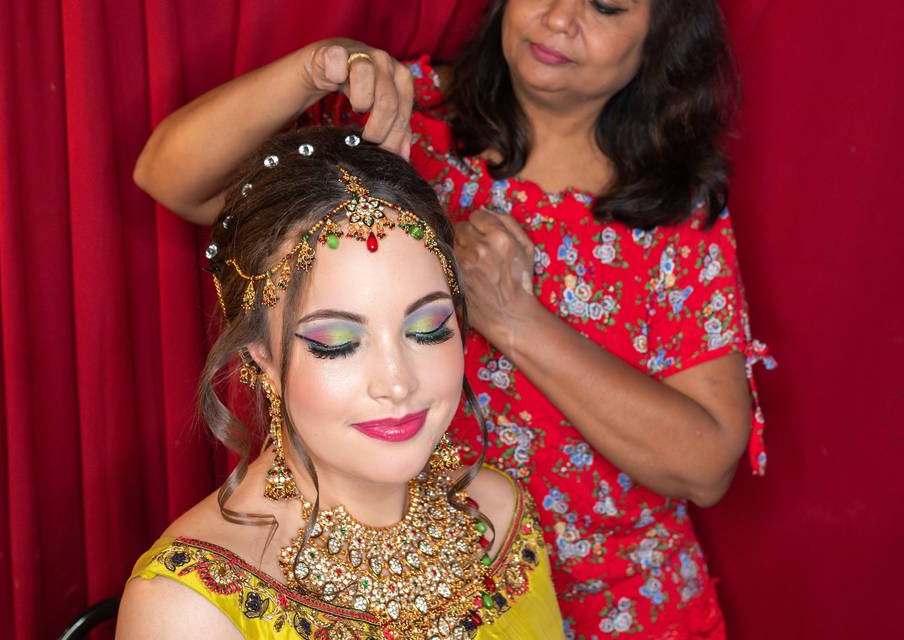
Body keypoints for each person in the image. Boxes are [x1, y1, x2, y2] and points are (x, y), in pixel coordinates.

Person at [132, 1, 776, 636]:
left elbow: (708, 462)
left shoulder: (672, 208)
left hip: (618, 597)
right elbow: (178, 182)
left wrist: (513, 320)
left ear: (662, 36)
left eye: (606, 7)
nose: (559, 18)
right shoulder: (395, 118)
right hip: (382, 577)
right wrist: (314, 68)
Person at [116, 127, 563, 640]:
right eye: (337, 343)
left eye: (428, 329)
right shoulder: (188, 608)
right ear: (261, 354)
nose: (397, 384)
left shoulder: (499, 513)